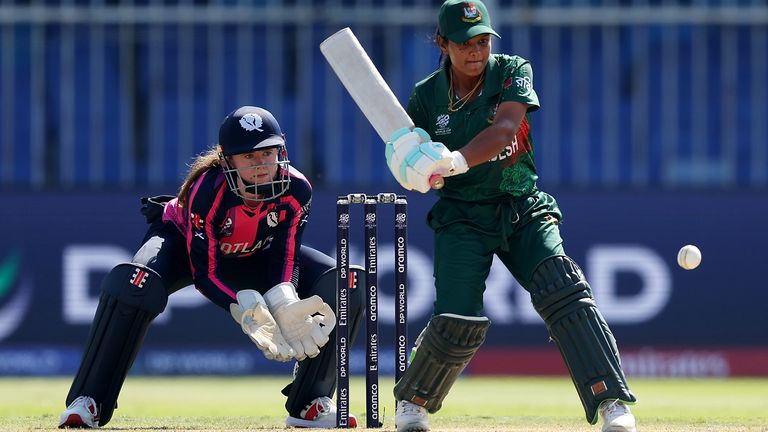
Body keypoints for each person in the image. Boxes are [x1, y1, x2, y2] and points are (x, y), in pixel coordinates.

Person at [384, 1, 638, 432]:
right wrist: (417, 169)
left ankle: (611, 401)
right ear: (443, 43)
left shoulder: (512, 70)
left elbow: (505, 129)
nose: (476, 51)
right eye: (464, 43)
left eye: (482, 40)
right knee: (457, 316)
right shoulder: (425, 96)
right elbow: (416, 159)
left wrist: (456, 162)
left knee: (564, 292)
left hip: (521, 205)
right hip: (462, 216)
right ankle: (413, 401)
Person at [58, 106, 364, 429]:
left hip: (256, 252)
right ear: (227, 160)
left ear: (281, 150)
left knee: (347, 284)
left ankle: (310, 405)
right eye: (249, 156)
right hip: (184, 247)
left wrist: (283, 299)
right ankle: (90, 400)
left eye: (268, 153)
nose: (262, 165)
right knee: (135, 284)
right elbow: (206, 273)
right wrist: (248, 309)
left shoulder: (297, 190)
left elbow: (285, 257)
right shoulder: (208, 190)